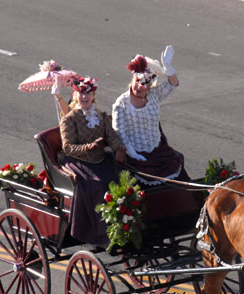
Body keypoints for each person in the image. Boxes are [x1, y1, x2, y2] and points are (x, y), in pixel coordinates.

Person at [53, 75, 126, 246]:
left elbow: (112, 136)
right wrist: (89, 147)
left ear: (94, 95)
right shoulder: (69, 119)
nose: (84, 96)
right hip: (78, 161)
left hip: (100, 158)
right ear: (76, 95)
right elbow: (68, 148)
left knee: (122, 177)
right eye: (81, 93)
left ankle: (123, 224)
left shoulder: (101, 116)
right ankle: (100, 232)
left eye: (88, 93)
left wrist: (118, 149)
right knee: (99, 184)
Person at [112, 45, 190, 186]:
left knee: (177, 171)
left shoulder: (153, 95)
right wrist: (134, 154)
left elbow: (173, 84)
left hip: (158, 151)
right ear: (132, 80)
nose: (140, 87)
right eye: (138, 82)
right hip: (135, 155)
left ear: (149, 86)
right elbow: (120, 134)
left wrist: (168, 67)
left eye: (144, 84)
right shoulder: (121, 104)